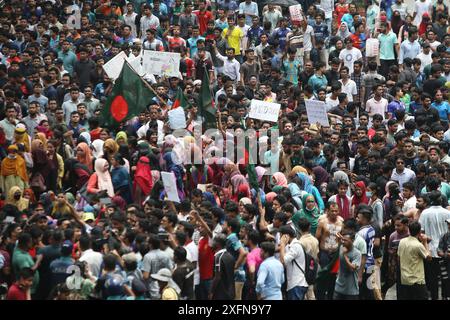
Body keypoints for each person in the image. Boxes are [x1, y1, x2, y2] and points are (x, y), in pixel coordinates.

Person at [397, 221, 432, 300]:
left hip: (405, 279)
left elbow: (398, 259)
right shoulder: (418, 245)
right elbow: (429, 257)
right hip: (417, 280)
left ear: (409, 230)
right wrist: (425, 242)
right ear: (419, 232)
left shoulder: (402, 242)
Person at [279, 226, 308, 300]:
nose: (280, 239)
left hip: (297, 284)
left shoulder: (296, 246)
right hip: (294, 285)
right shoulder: (291, 246)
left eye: (281, 236)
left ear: (286, 236)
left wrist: (282, 245)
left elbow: (283, 261)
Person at [333, 231, 361, 300]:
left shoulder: (357, 253)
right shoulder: (341, 247)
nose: (343, 242)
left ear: (352, 240)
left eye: (345, 240)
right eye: (342, 239)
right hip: (339, 288)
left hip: (351, 291)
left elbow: (353, 268)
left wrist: (345, 255)